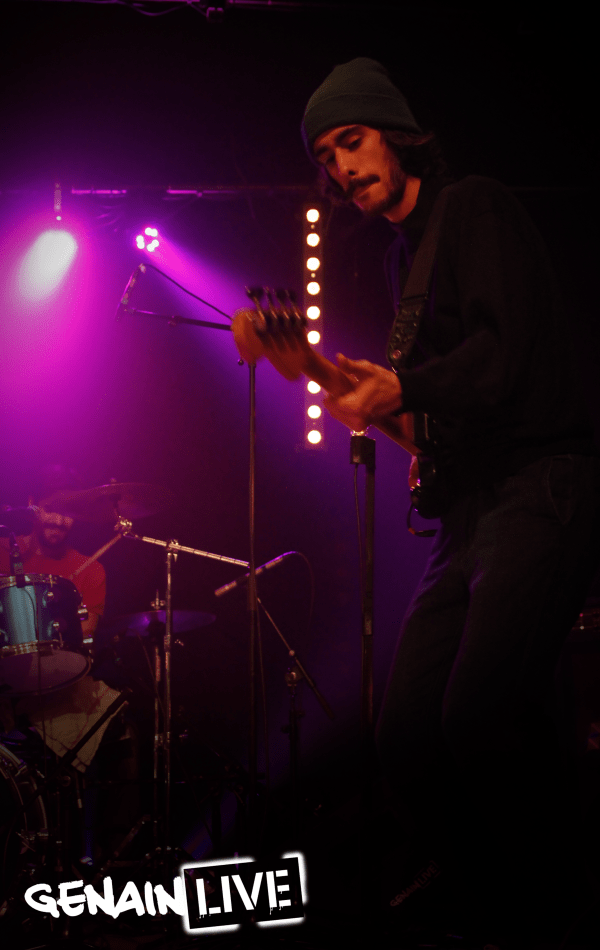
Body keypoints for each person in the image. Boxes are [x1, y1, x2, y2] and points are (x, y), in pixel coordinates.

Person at [301, 58, 600, 946]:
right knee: (403, 739)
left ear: (396, 132)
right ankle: (504, 912)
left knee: (478, 716)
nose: (342, 167)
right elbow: (440, 410)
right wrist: (375, 404)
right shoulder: (405, 257)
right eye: (327, 156)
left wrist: (401, 387)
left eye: (352, 140)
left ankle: (566, 905)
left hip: (539, 484)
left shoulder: (477, 206)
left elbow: (502, 361)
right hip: (468, 511)